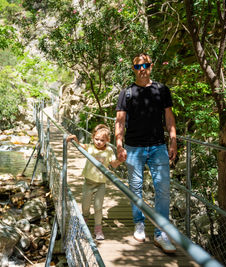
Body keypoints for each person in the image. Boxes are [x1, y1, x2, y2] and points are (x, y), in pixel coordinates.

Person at [115, 53, 177, 253]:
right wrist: (118, 144)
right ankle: (139, 223)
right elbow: (120, 121)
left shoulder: (161, 90)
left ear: (151, 66)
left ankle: (161, 232)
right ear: (133, 69)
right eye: (138, 66)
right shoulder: (127, 93)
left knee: (163, 189)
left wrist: (173, 140)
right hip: (133, 147)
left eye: (146, 65)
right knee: (135, 188)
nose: (142, 69)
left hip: (158, 146)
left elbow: (169, 117)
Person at [67, 124, 123, 240]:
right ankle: (85, 220)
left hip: (100, 184)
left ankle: (98, 229)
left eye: (102, 140)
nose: (98, 142)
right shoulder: (90, 147)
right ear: (93, 137)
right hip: (88, 183)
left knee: (98, 207)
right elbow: (79, 146)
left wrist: (120, 160)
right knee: (85, 206)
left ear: (107, 140)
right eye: (96, 139)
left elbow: (113, 164)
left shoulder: (109, 150)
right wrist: (75, 139)